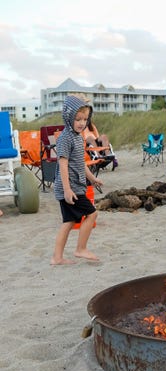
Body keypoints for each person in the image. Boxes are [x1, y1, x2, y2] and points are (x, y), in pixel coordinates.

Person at [51, 94, 103, 265]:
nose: (82, 123)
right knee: (92, 213)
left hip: (74, 187)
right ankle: (81, 249)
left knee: (68, 221)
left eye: (85, 119)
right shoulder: (66, 138)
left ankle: (56, 258)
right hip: (70, 188)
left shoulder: (76, 136)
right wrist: (67, 189)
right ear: (68, 117)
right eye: (78, 119)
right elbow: (63, 165)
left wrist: (92, 179)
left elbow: (81, 162)